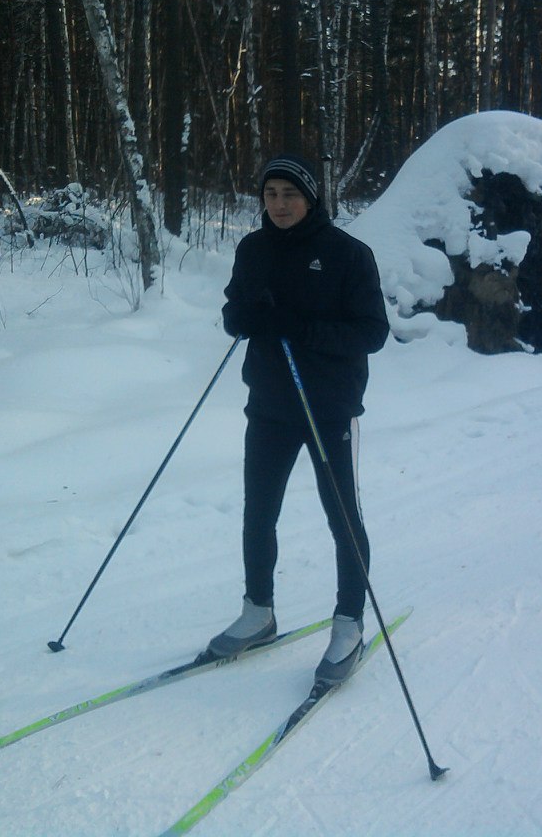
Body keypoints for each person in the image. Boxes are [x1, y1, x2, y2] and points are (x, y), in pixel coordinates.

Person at [208, 154, 390, 685]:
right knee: (258, 511)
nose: (279, 205)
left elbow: (370, 333)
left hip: (328, 405)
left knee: (341, 515)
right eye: (270, 195)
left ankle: (349, 623)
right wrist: (242, 319)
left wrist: (301, 328)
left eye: (289, 194)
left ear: (311, 197)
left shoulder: (347, 255)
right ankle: (257, 611)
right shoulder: (253, 248)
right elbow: (234, 311)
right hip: (269, 403)